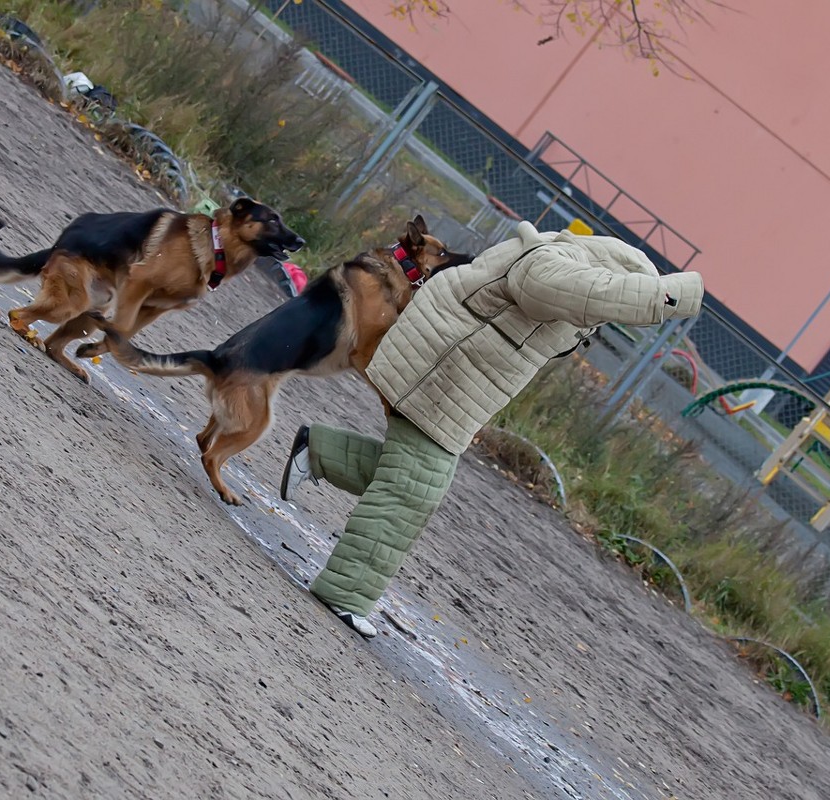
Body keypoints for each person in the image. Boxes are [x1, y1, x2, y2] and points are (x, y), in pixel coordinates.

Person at [279, 220, 704, 637]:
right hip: (443, 367)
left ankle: (318, 450)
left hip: (451, 370)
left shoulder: (562, 264)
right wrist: (672, 296)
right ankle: (345, 592)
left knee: (415, 478)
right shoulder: (552, 264)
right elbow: (575, 290)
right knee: (412, 485)